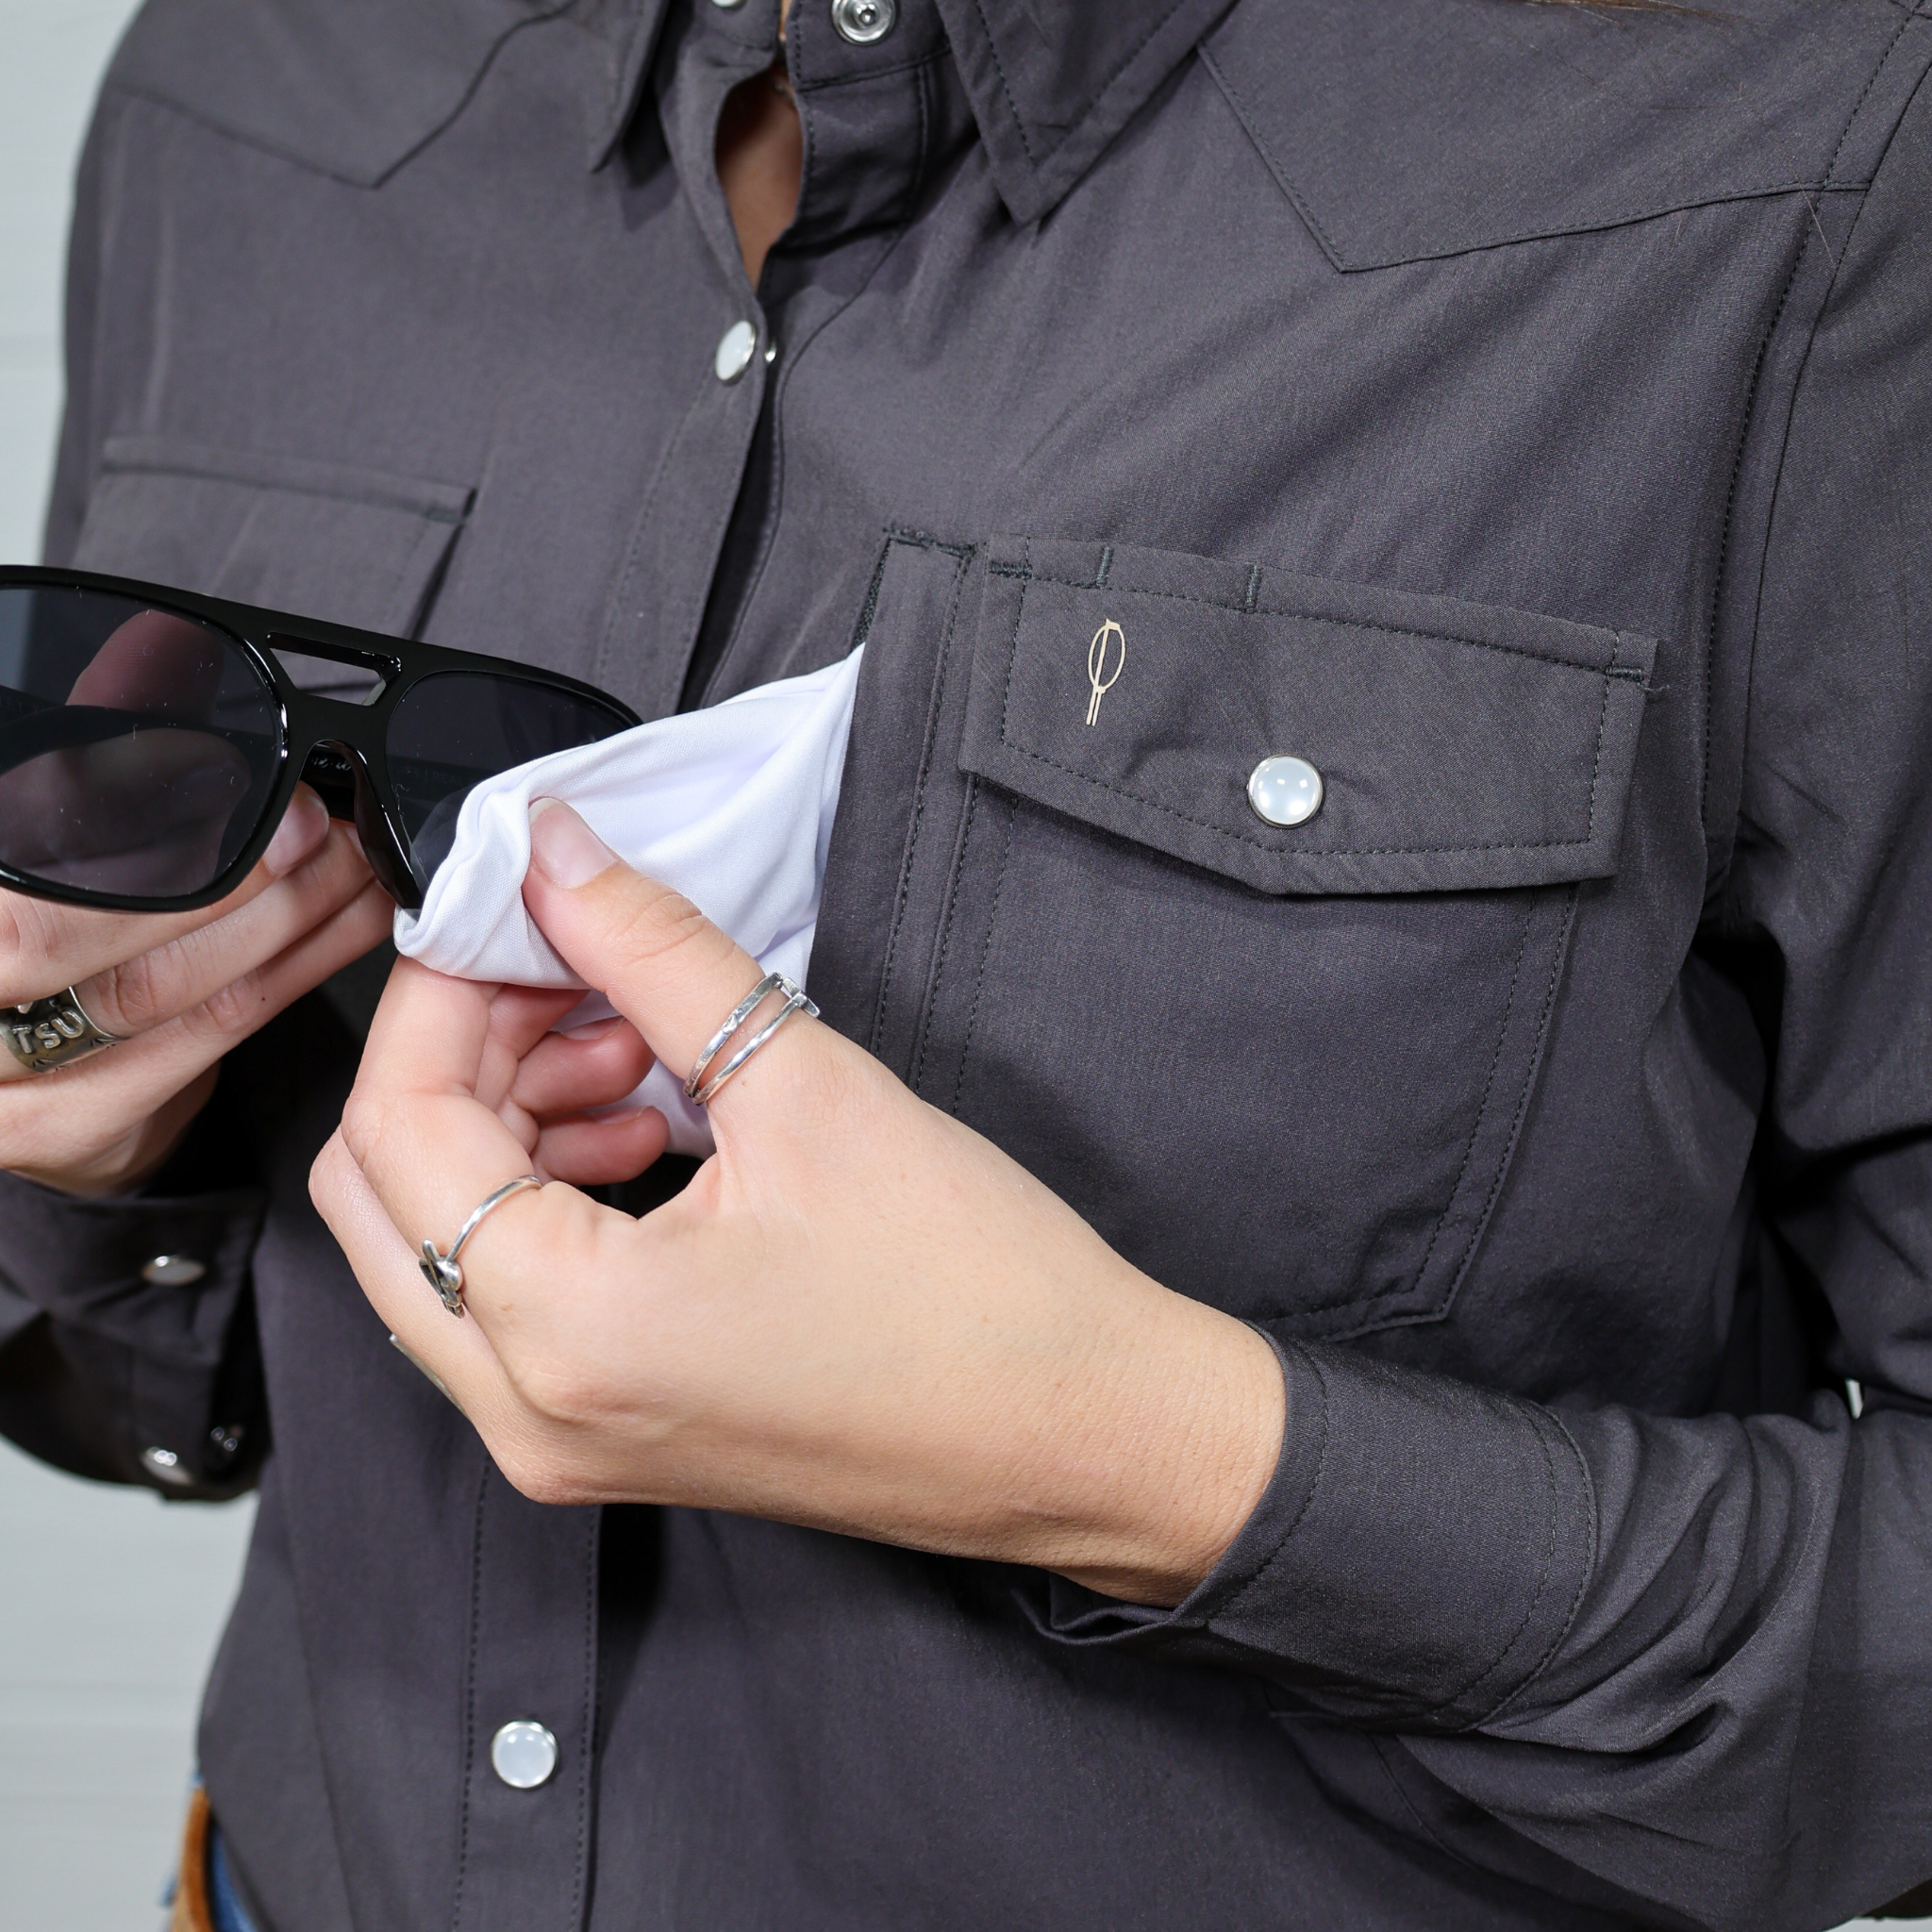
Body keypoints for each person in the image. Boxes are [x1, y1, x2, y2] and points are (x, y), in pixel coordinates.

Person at [3, 0, 1930, 1925]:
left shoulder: (1824, 154)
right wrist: (90, 1153)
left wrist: (1130, 1453)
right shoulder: (242, 73)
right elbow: (159, 1369)